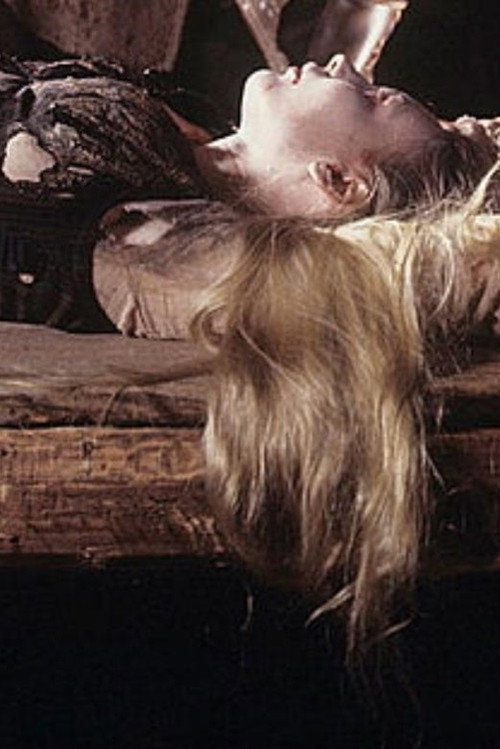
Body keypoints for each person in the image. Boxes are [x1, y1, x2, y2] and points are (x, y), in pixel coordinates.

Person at [0, 52, 498, 651]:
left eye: (371, 99)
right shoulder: (182, 141)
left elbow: (350, 274)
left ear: (338, 181)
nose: (344, 63)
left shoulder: (156, 242)